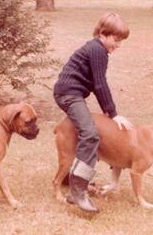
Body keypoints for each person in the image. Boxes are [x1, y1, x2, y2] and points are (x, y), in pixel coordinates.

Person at [53, 12, 133, 212]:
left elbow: (97, 84)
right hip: (69, 94)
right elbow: (100, 84)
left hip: (70, 93)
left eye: (121, 41)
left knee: (85, 132)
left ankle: (70, 180)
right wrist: (113, 113)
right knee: (90, 135)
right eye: (116, 39)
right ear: (103, 34)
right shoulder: (98, 50)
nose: (118, 45)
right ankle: (77, 191)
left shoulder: (97, 48)